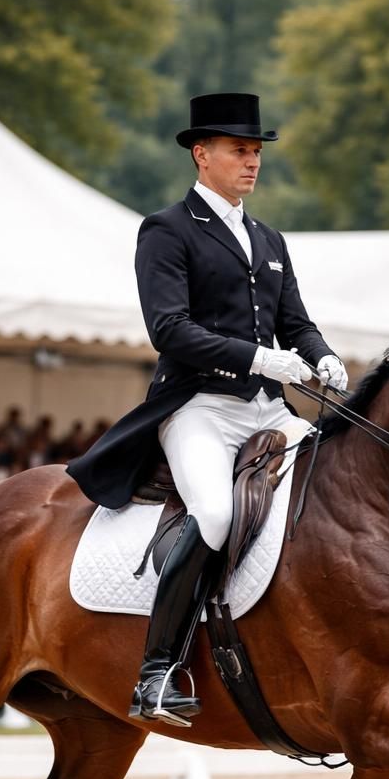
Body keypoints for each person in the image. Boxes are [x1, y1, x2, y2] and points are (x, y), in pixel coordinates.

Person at [67, 91, 347, 727]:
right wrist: (258, 357)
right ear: (202, 155)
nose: (252, 163)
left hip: (268, 407)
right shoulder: (166, 230)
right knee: (216, 513)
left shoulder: (268, 238)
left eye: (256, 153)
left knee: (335, 479)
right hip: (198, 406)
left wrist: (322, 355)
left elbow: (295, 322)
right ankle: (156, 671)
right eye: (240, 151)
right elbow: (169, 328)